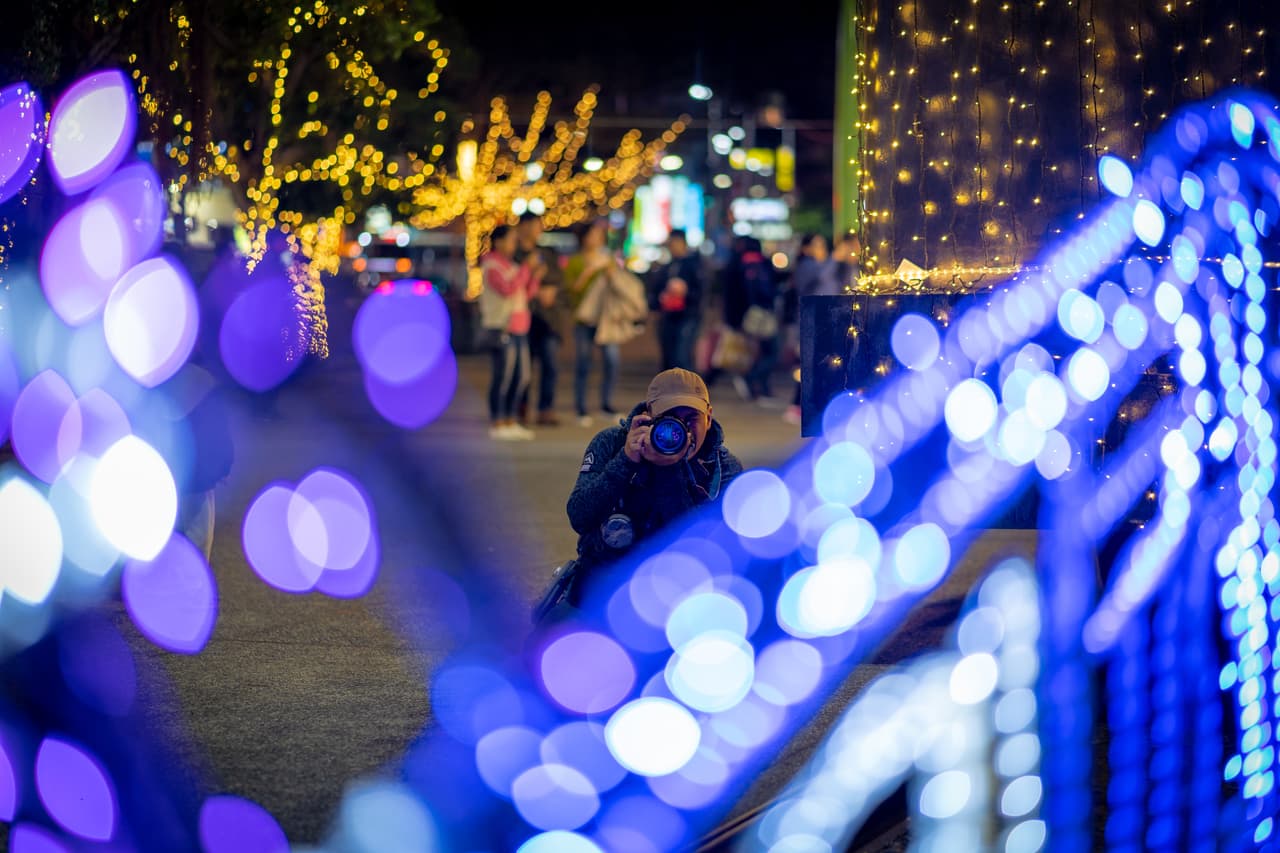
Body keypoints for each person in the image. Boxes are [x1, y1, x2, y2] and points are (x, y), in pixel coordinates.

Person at [564, 367, 743, 607]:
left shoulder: (723, 467)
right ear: (649, 415)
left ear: (709, 417)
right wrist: (626, 460)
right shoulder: (613, 442)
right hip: (609, 575)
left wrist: (668, 469)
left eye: (691, 419)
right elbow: (580, 516)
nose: (682, 432)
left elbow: (703, 548)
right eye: (670, 421)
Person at [783, 233, 858, 425]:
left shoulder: (829, 267)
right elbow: (821, 279)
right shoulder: (807, 266)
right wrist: (835, 259)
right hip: (813, 321)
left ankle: (809, 406)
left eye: (823, 244)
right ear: (806, 249)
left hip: (827, 320)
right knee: (810, 364)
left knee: (821, 364)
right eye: (817, 245)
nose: (822, 249)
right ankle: (799, 406)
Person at [480, 224, 544, 440]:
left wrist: (534, 276)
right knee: (503, 376)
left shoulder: (511, 265)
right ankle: (498, 420)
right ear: (498, 241)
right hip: (502, 326)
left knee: (522, 376)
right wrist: (526, 269)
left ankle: (510, 419)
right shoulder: (491, 265)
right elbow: (507, 290)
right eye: (510, 240)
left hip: (520, 327)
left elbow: (526, 293)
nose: (513, 244)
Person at [565, 218, 621, 427]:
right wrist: (588, 272)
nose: (596, 239)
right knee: (583, 362)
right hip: (584, 319)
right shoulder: (576, 262)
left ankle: (606, 403)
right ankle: (581, 406)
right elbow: (572, 291)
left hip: (605, 319)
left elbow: (617, 286)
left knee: (611, 361)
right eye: (593, 235)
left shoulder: (608, 259)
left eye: (599, 235)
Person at [514, 212, 566, 426]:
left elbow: (559, 279)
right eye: (534, 225)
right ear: (523, 227)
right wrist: (532, 275)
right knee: (523, 367)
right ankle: (521, 408)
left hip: (548, 320)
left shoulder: (548, 253)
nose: (537, 229)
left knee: (550, 364)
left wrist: (549, 289)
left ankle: (546, 408)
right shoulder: (514, 253)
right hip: (524, 316)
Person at [649, 229, 703, 372]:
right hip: (668, 316)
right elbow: (656, 290)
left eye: (675, 243)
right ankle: (670, 391)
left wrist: (685, 293)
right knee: (669, 357)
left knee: (681, 356)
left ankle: (689, 391)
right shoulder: (667, 267)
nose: (672, 246)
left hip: (687, 316)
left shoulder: (693, 265)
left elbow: (701, 291)